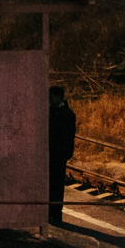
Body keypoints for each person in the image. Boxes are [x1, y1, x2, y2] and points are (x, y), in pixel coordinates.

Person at [47, 85, 77, 225]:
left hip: (58, 155)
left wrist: (65, 153)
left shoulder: (66, 115)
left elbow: (68, 136)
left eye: (51, 96)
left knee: (56, 186)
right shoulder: (63, 113)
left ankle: (55, 213)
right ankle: (52, 213)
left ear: (58, 97)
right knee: (53, 185)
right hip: (54, 154)